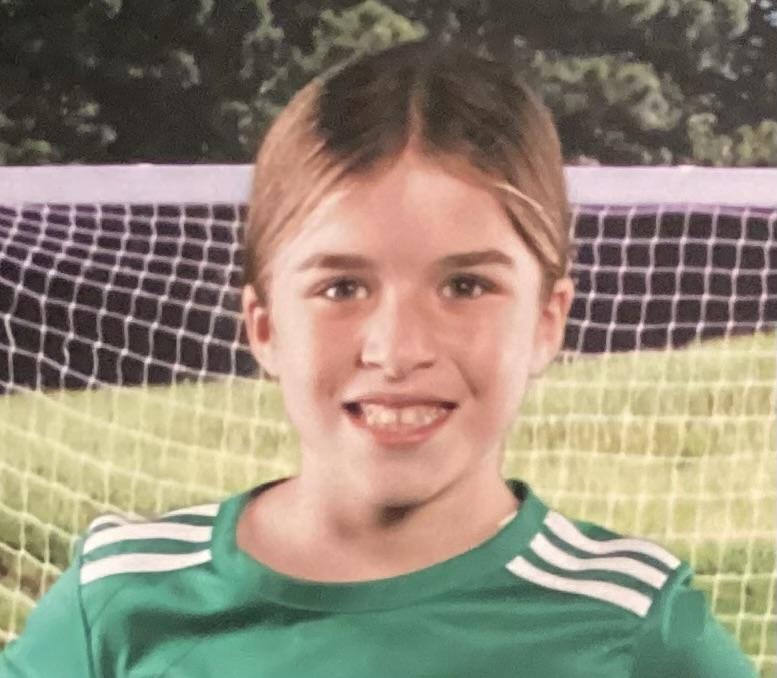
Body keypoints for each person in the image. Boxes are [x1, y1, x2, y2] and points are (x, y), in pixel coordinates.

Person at [0, 38, 756, 678]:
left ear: (546, 320)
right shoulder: (120, 602)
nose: (398, 350)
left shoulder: (634, 625)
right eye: (341, 287)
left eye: (465, 286)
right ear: (263, 326)